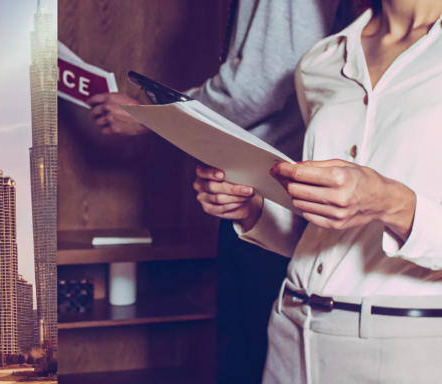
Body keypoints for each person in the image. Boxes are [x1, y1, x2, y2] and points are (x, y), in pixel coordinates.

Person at [87, 1, 346, 382]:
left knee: (248, 357)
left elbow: (259, 85)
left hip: (273, 193)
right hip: (259, 192)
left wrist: (153, 116)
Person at [193, 0, 442, 382]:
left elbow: (374, 204)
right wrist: (251, 209)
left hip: (406, 343)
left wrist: (391, 202)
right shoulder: (320, 61)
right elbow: (322, 235)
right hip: (290, 330)